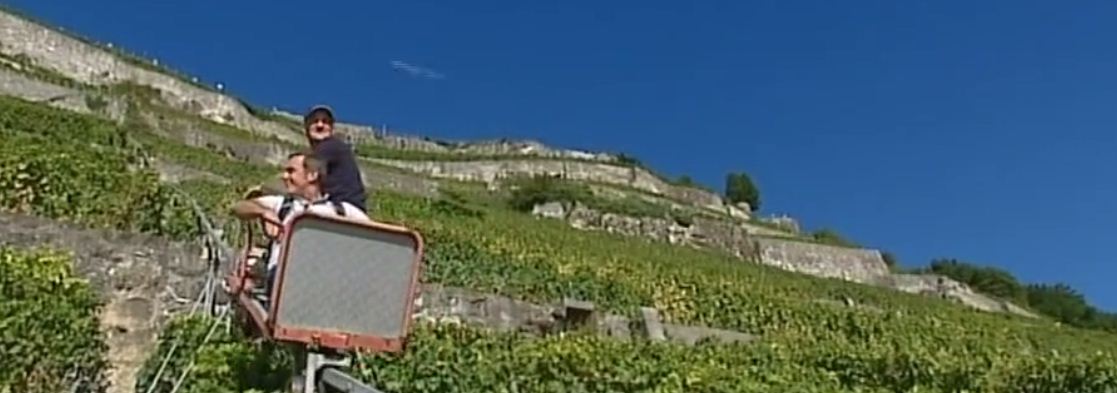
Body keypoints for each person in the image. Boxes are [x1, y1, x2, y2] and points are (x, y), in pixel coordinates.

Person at [232, 150, 370, 303]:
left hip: (326, 288)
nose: (285, 177)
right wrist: (264, 212)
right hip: (283, 285)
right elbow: (238, 207)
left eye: (291, 171)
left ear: (312, 175)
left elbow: (377, 236)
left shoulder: (343, 211)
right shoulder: (282, 205)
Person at [302, 105, 368, 213]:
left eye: (325, 122)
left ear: (331, 129)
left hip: (344, 210)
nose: (320, 125)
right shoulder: (331, 149)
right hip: (349, 210)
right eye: (315, 121)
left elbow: (303, 175)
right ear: (306, 127)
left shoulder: (330, 146)